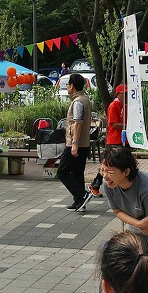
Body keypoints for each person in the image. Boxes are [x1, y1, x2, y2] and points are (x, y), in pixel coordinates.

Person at [59, 74, 94, 212]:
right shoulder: (85, 99)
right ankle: (79, 201)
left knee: (62, 171)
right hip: (84, 143)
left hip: (76, 143)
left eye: (68, 84)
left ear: (72, 86)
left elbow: (78, 123)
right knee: (77, 172)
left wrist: (74, 144)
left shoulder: (78, 102)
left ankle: (82, 195)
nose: (67, 87)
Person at [89, 84, 128, 196]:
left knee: (118, 165)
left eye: (127, 94)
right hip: (114, 140)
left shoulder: (124, 106)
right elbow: (114, 124)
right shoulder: (113, 105)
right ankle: (95, 185)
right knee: (108, 165)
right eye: (123, 94)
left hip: (122, 139)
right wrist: (128, 126)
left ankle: (98, 185)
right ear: (118, 94)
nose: (126, 96)